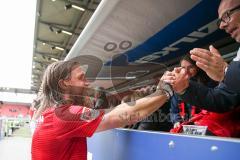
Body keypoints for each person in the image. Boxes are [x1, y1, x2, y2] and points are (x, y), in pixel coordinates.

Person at [31, 60, 173, 160]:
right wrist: (164, 91)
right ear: (64, 84)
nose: (87, 82)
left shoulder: (47, 112)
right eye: (81, 78)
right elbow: (119, 116)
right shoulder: (65, 115)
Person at [163, 0, 240, 112]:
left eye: (226, 15)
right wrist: (184, 88)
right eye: (220, 22)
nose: (222, 26)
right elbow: (223, 98)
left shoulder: (213, 79)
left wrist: (225, 72)